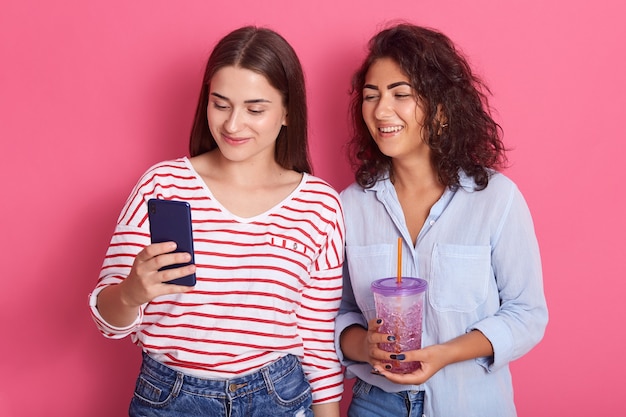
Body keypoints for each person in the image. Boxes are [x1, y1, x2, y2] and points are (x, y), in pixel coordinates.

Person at [89, 26, 344, 417]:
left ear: (288, 111)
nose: (232, 124)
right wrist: (130, 293)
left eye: (255, 109)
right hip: (170, 398)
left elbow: (316, 340)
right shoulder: (162, 185)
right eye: (220, 104)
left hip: (279, 398)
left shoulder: (319, 205)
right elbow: (108, 321)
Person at [335, 23, 548, 417]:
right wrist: (364, 345)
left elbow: (527, 313)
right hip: (376, 404)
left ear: (442, 108)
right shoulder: (350, 205)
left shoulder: (495, 200)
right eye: (371, 96)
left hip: (470, 403)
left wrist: (445, 354)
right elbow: (341, 311)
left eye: (400, 94)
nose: (381, 110)